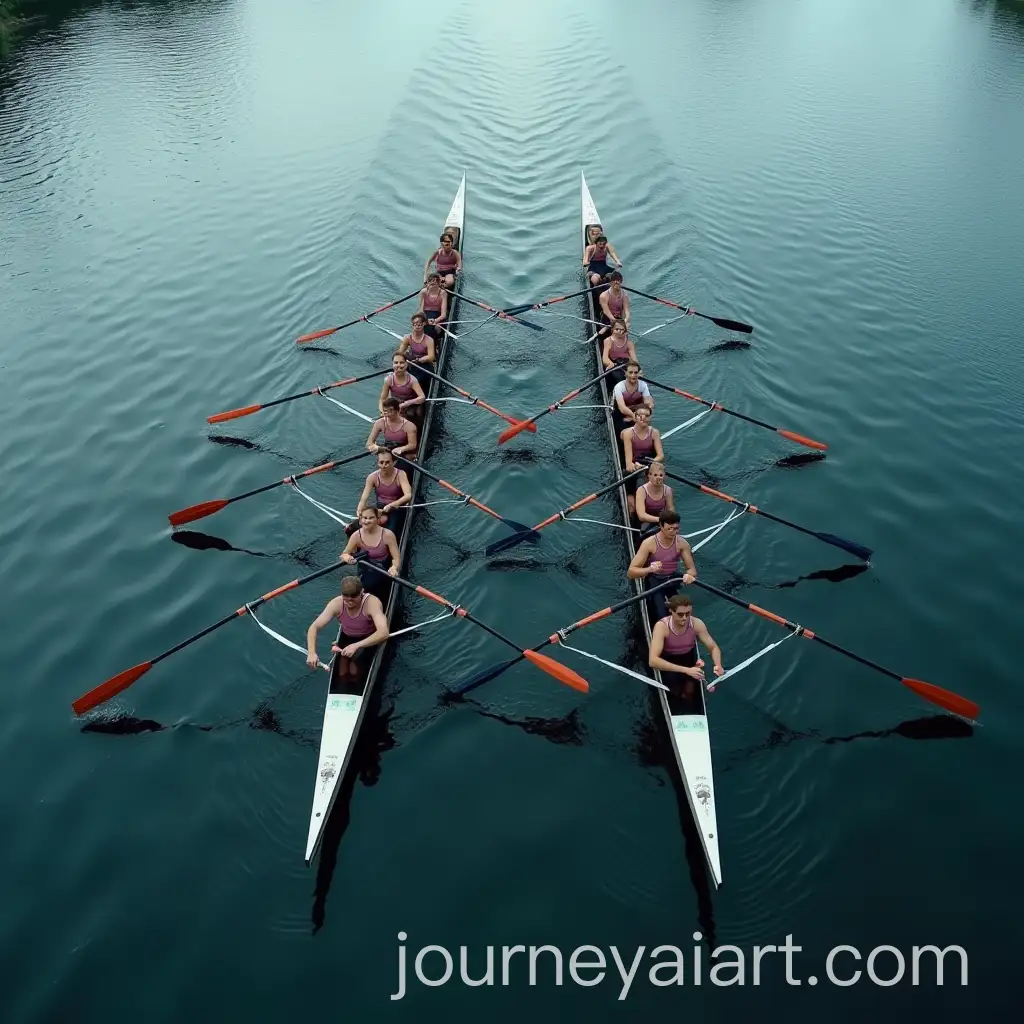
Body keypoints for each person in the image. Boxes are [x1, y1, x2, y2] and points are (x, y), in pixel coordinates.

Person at [306, 575, 389, 680]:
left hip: (368, 638)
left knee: (354, 672)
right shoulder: (335, 604)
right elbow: (314, 627)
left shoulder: (372, 603)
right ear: (341, 594)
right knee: (342, 673)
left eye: (354, 597)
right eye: (346, 597)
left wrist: (356, 646)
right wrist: (311, 653)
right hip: (347, 637)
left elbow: (384, 633)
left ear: (362, 592)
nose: (349, 601)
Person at [649, 593, 724, 698]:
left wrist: (718, 665)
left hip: (688, 657)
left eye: (688, 613)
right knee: (674, 692)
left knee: (689, 692)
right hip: (668, 658)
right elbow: (653, 661)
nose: (684, 618)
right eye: (680, 614)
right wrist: (687, 670)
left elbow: (713, 647)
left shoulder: (697, 624)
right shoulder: (662, 627)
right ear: (671, 611)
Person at [627, 509, 697, 621]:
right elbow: (631, 572)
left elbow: (691, 569)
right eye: (669, 529)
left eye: (676, 528)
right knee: (661, 615)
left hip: (672, 578)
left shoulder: (682, 544)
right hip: (654, 579)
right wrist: (650, 569)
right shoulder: (649, 543)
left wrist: (689, 575)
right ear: (661, 526)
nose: (673, 532)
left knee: (683, 610)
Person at [341, 506, 400, 595]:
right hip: (364, 566)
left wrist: (394, 567)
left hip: (382, 567)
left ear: (377, 520)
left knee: (373, 585)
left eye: (371, 518)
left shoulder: (388, 535)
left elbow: (396, 558)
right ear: (360, 520)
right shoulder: (356, 535)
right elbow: (344, 554)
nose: (367, 521)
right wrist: (347, 558)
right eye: (365, 518)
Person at [355, 449, 412, 536]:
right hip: (380, 507)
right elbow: (364, 498)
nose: (384, 465)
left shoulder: (401, 474)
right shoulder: (372, 477)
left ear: (394, 462)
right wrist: (360, 509)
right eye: (381, 463)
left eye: (387, 462)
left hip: (397, 507)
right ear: (377, 463)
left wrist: (393, 505)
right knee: (355, 527)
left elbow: (408, 495)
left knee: (391, 531)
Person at [378, 352, 426, 427]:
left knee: (413, 415)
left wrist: (405, 404)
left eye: (401, 363)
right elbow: (383, 399)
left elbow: (422, 397)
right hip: (395, 404)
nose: (398, 365)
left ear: (406, 364)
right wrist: (383, 411)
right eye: (396, 363)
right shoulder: (388, 380)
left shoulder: (412, 380)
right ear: (392, 364)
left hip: (409, 406)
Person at [635, 462, 675, 534]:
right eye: (655, 475)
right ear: (649, 476)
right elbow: (641, 516)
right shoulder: (641, 491)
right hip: (645, 521)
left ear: (664, 476)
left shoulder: (668, 490)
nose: (658, 478)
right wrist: (660, 519)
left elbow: (671, 510)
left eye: (661, 475)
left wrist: (671, 521)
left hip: (660, 519)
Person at [621, 405, 664, 474]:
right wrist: (635, 466)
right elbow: (629, 464)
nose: (643, 418)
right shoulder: (628, 433)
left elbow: (660, 456)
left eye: (647, 416)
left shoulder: (655, 432)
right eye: (640, 415)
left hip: (648, 461)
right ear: (635, 416)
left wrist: (650, 463)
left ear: (650, 417)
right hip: (635, 462)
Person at [397, 314, 436, 388]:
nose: (417, 326)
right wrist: (399, 361)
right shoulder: (407, 338)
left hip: (425, 364)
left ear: (424, 324)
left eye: (419, 324)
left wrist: (420, 360)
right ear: (412, 325)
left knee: (418, 380)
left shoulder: (429, 340)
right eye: (415, 324)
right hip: (411, 362)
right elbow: (400, 353)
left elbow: (431, 357)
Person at [416, 273, 448, 341]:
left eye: (434, 285)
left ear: (438, 284)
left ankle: (434, 341)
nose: (432, 287)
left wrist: (435, 321)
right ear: (427, 283)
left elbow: (444, 315)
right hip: (426, 315)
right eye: (431, 284)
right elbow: (421, 310)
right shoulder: (423, 292)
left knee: (435, 328)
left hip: (438, 316)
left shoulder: (443, 293)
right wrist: (424, 320)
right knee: (418, 324)